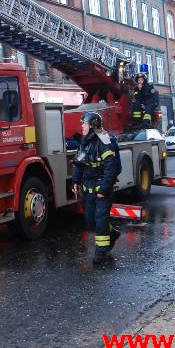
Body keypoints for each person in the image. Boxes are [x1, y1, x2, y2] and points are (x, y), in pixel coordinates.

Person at [71, 112, 122, 263]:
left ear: (92, 126)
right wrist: (75, 180)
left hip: (101, 189)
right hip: (88, 188)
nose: (82, 126)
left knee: (100, 219)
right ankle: (112, 234)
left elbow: (111, 168)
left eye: (84, 124)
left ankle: (102, 253)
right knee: (90, 220)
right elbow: (80, 163)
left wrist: (104, 189)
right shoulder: (84, 142)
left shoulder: (104, 142)